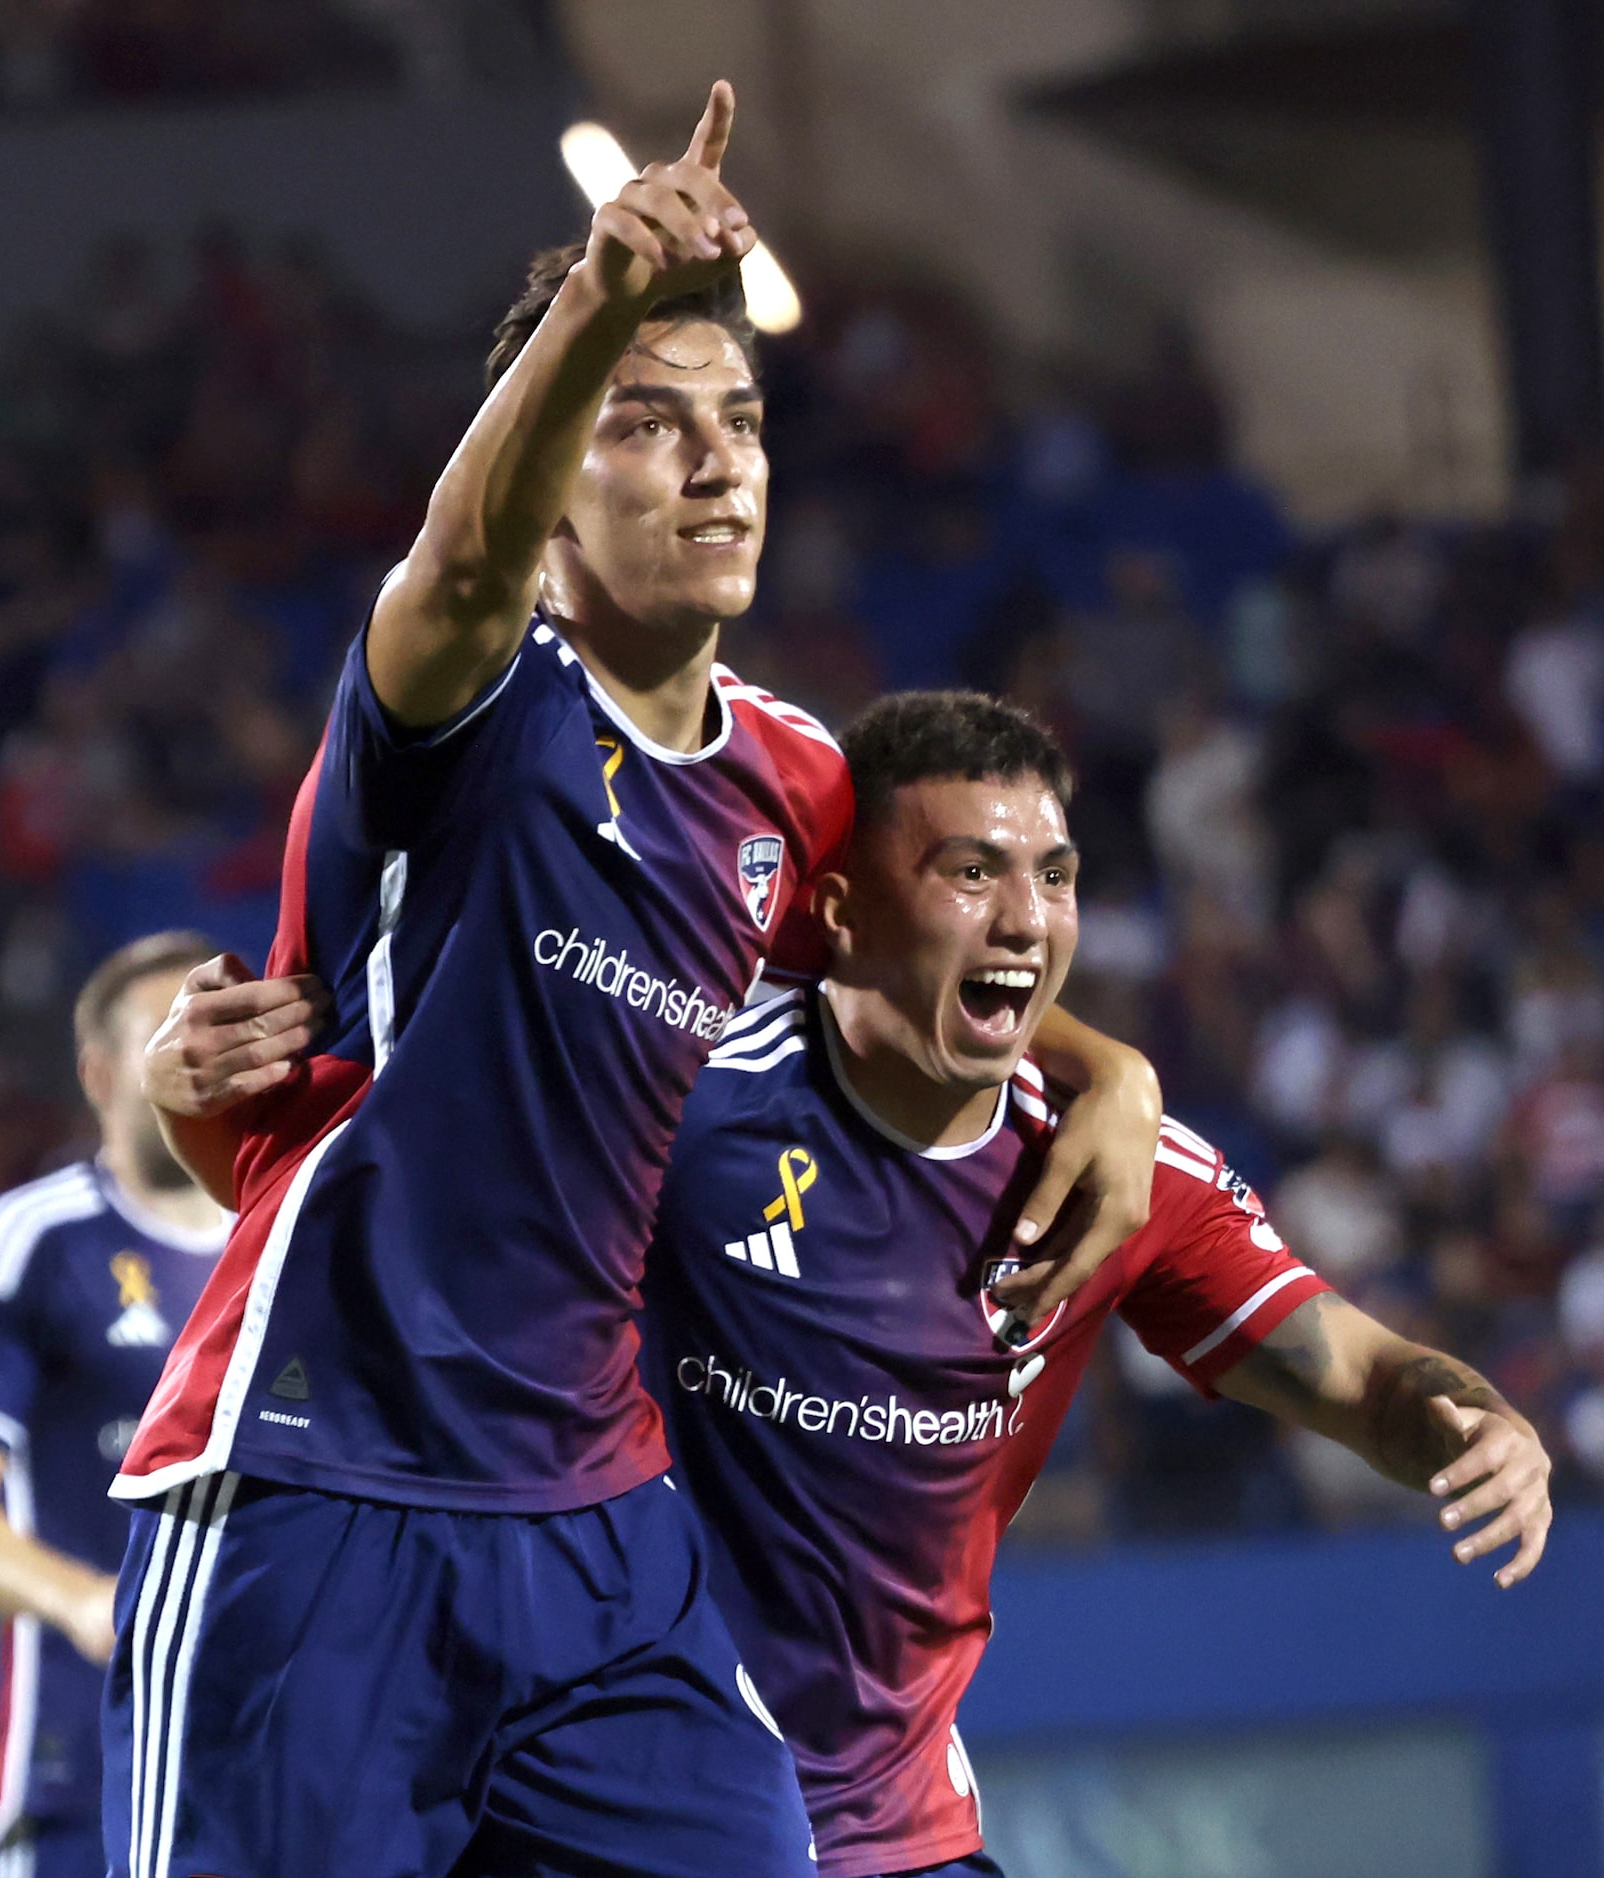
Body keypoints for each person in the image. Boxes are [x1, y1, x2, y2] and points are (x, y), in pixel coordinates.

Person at [108, 81, 1163, 1878]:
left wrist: (1114, 1075)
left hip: (600, 1520)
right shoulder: (463, 702)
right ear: (555, 479)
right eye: (646, 426)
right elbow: (458, 554)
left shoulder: (800, 778)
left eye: (739, 422)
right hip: (319, 1468)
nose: (716, 463)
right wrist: (599, 291)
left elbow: (930, 950)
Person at [638, 690, 1552, 1877]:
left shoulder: (1127, 1177)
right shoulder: (682, 1105)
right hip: (629, 1800)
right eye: (972, 872)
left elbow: (1368, 1381)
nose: (1026, 920)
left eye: (1056, 877)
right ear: (844, 912)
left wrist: (1479, 1424)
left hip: (893, 1832)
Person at [0, 932, 230, 1878]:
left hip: (284, 1759)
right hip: (88, 1773)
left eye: (215, 1026)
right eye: (165, 1031)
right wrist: (85, 1602)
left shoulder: (308, 1234)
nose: (196, 1053)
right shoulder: (35, 1240)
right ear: (97, 1072)